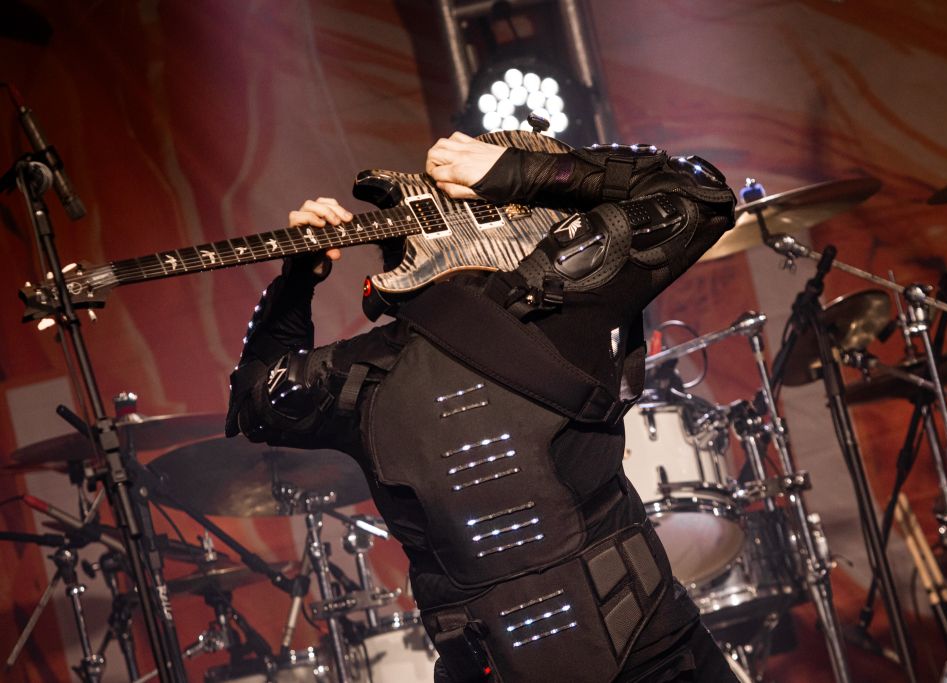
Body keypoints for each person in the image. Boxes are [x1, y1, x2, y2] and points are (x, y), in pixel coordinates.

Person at [226, 131, 738, 682]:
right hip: (653, 656)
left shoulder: (358, 375)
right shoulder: (561, 300)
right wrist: (518, 170)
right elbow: (700, 193)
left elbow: (253, 398)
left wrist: (298, 278)